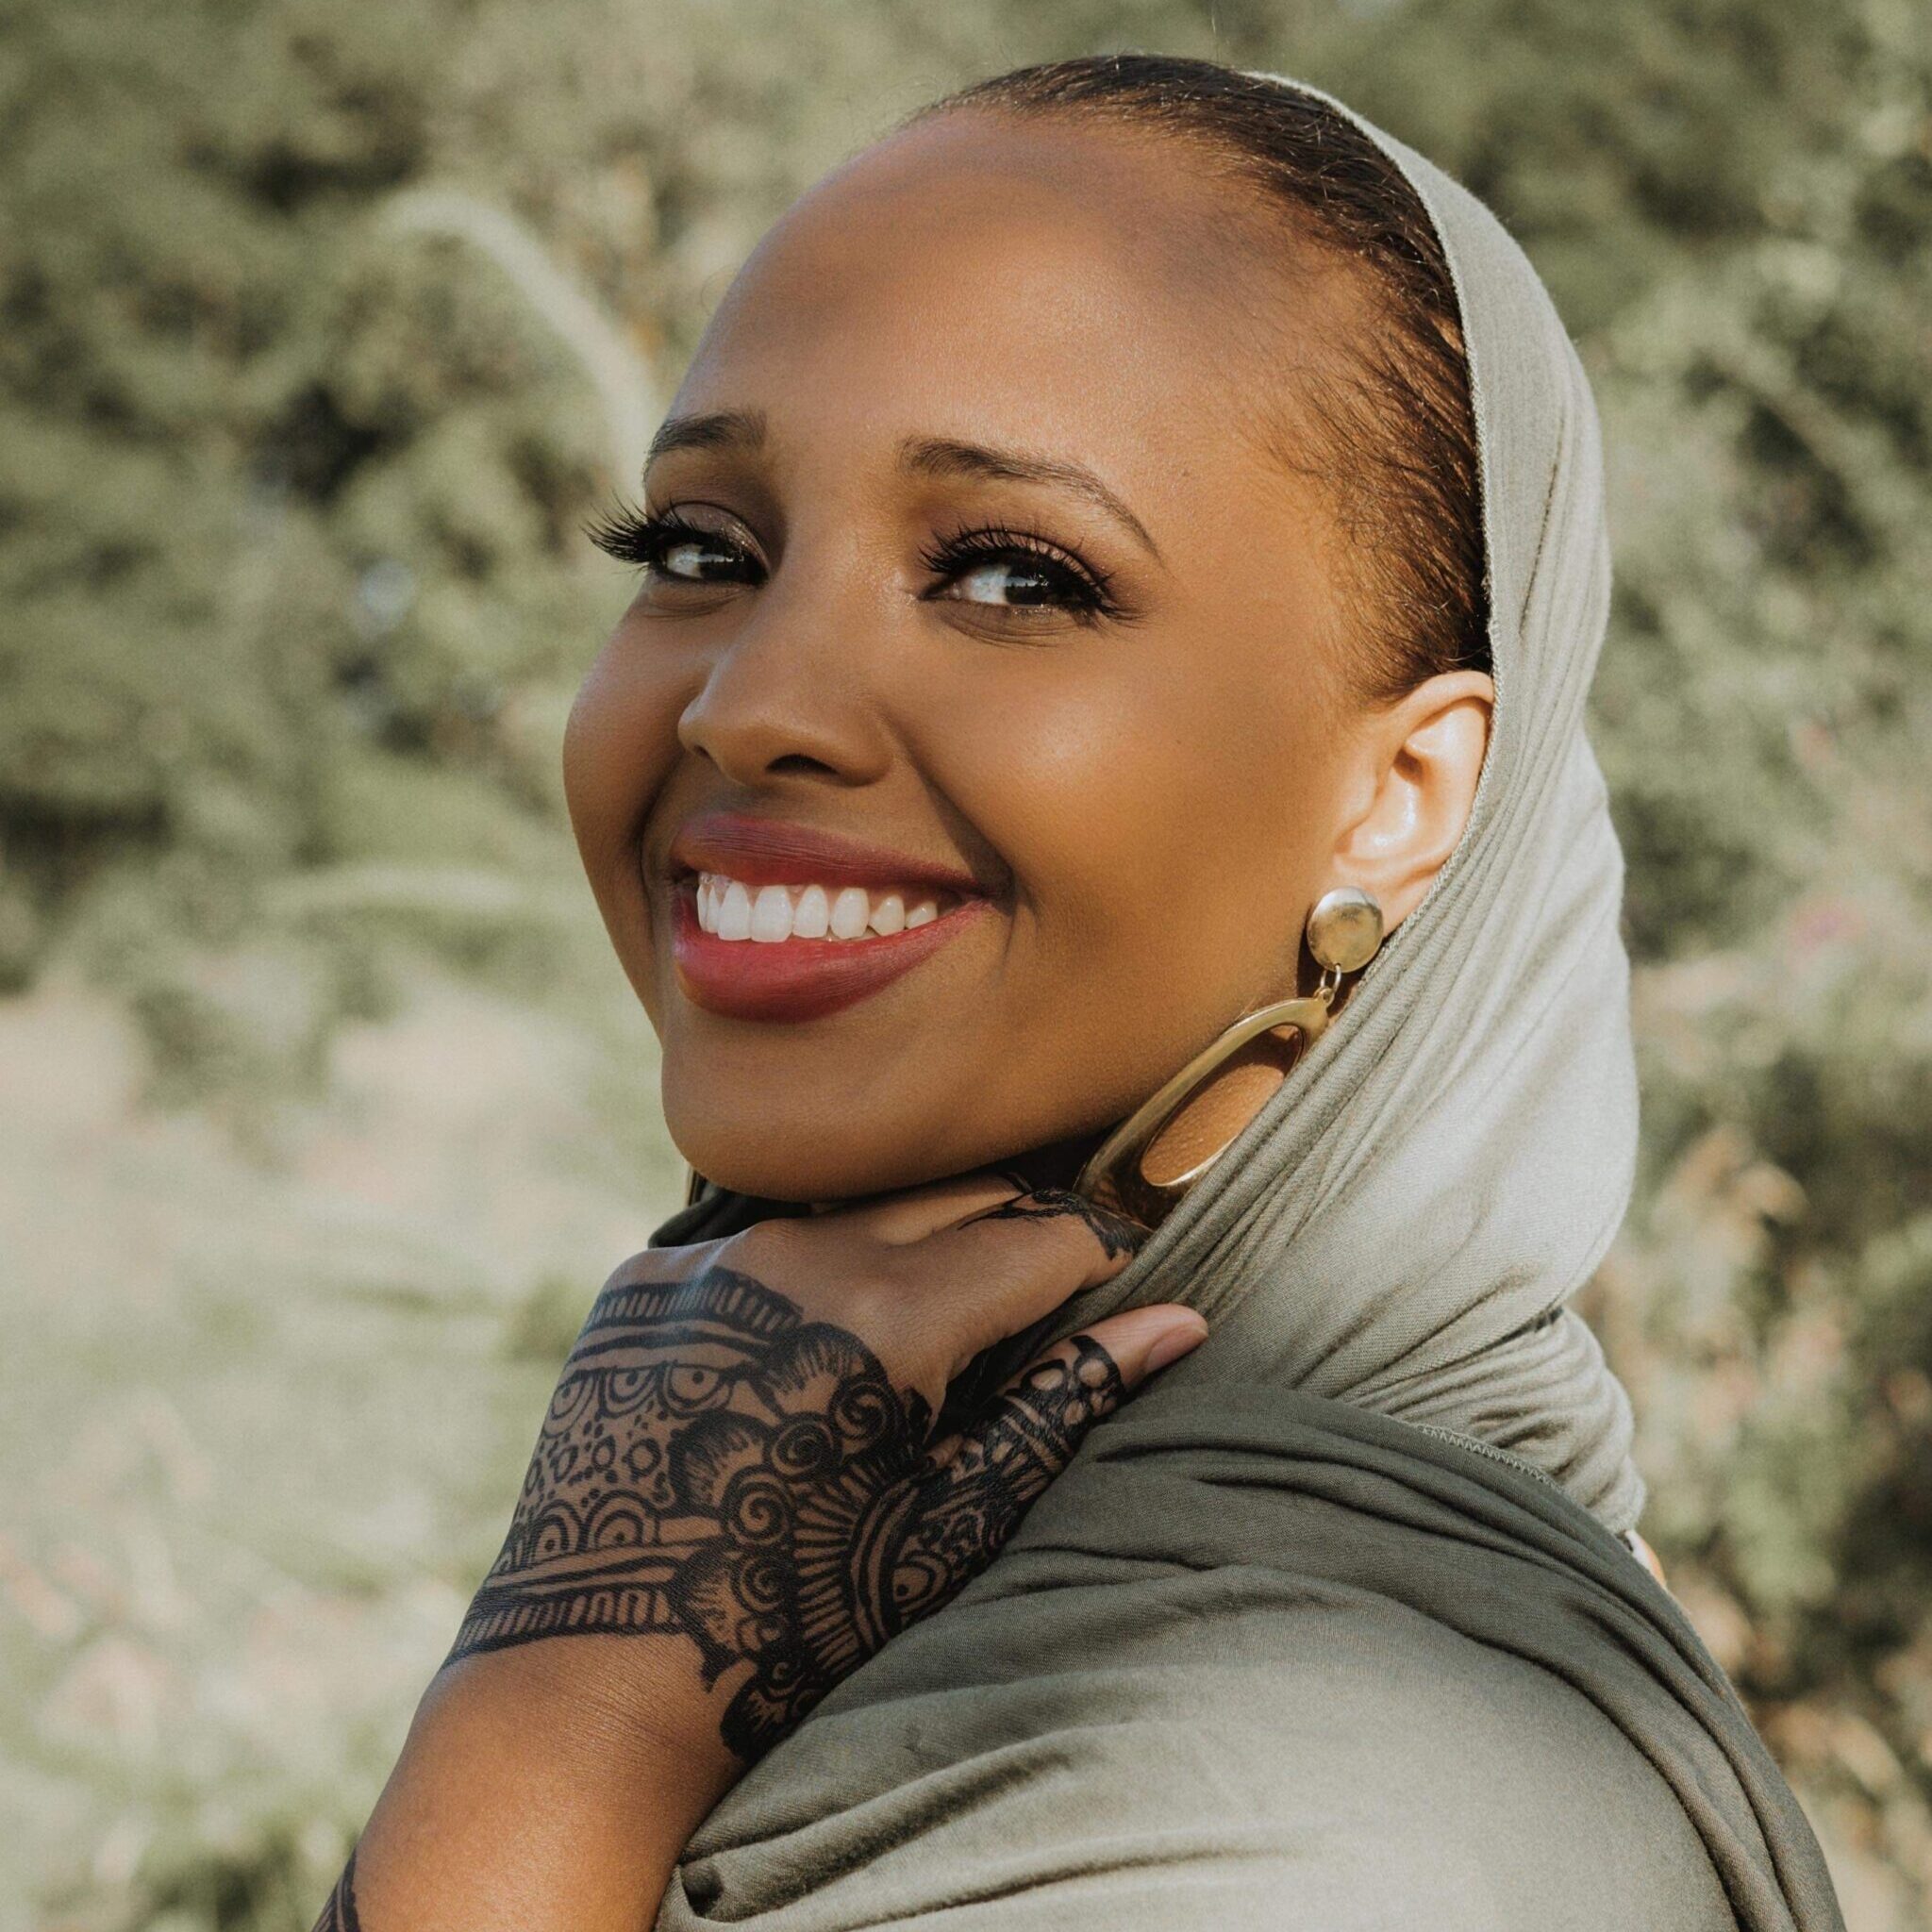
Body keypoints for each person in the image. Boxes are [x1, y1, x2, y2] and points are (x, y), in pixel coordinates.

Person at [310, 55, 1843, 1932]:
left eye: (1012, 576)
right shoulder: (853, 1530)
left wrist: (561, 1724)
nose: (748, 703)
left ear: (1402, 794)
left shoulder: (1345, 1818)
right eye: (702, 552)